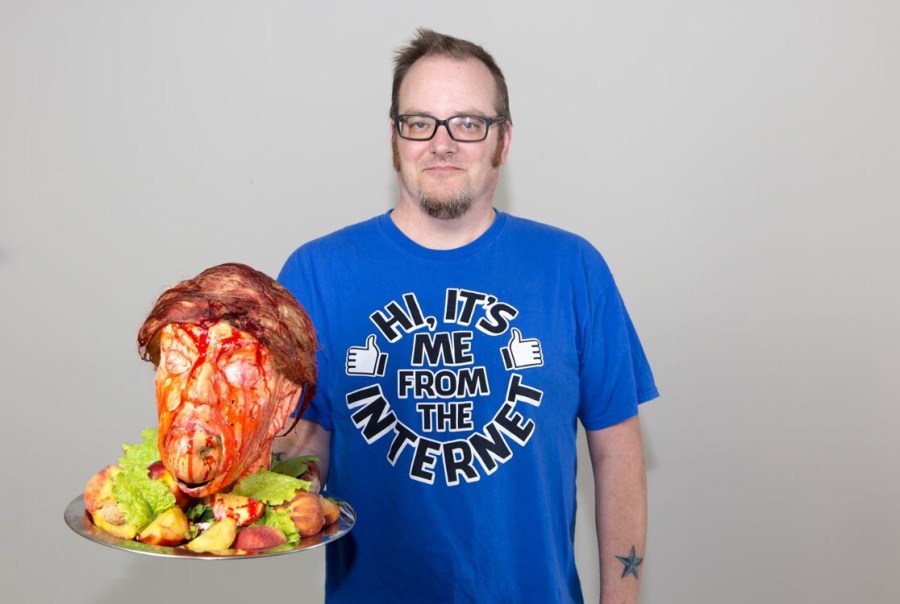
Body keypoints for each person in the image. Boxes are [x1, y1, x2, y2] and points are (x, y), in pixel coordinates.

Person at [275, 28, 659, 604]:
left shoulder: (572, 268)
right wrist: (225, 467)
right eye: (419, 122)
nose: (442, 143)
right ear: (394, 137)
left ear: (504, 139)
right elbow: (302, 451)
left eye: (468, 123)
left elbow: (618, 453)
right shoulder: (316, 274)